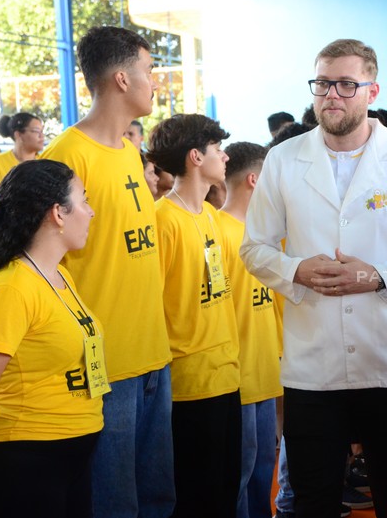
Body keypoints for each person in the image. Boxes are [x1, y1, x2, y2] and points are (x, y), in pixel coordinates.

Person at [241, 38, 387, 518]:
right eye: (322, 84)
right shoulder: (284, 159)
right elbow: (254, 248)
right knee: (313, 499)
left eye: (346, 84)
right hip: (311, 361)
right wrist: (296, 269)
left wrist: (379, 276)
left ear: (372, 91)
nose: (331, 96)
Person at [40, 25, 173, 518]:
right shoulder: (66, 157)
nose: (155, 82)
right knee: (114, 505)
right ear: (121, 79)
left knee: (158, 499)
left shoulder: (131, 152)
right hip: (104, 365)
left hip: (153, 354)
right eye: (149, 70)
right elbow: (41, 266)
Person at [0, 159, 106, 517]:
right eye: (83, 200)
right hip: (25, 461)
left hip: (70, 456)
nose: (91, 211)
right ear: (58, 213)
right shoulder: (10, 289)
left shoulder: (58, 276)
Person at [147, 114, 241, 517]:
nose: (225, 156)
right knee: (197, 496)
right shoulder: (162, 220)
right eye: (217, 148)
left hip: (226, 372)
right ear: (195, 157)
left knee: (225, 489)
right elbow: (151, 304)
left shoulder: (212, 217)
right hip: (188, 382)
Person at [218, 141, 283, 518]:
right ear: (255, 180)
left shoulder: (264, 235)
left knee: (262, 468)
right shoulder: (218, 230)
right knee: (239, 472)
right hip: (236, 374)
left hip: (264, 368)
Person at [0, 112, 44, 223]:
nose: (42, 136)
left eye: (42, 131)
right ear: (18, 134)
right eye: (36, 131)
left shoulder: (45, 163)